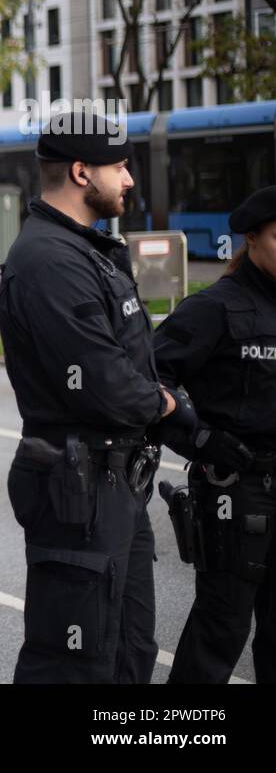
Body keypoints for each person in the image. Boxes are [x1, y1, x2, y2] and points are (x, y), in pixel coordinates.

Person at [0, 110, 194, 683]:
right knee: (73, 662)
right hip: (78, 487)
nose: (129, 179)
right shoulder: (50, 261)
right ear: (82, 172)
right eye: (120, 166)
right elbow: (104, 383)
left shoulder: (86, 250)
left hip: (112, 485)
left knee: (130, 649)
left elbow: (132, 359)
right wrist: (168, 407)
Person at [154, 185, 276, 683]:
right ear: (253, 238)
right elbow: (148, 379)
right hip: (236, 489)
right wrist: (201, 441)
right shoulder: (217, 307)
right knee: (221, 630)